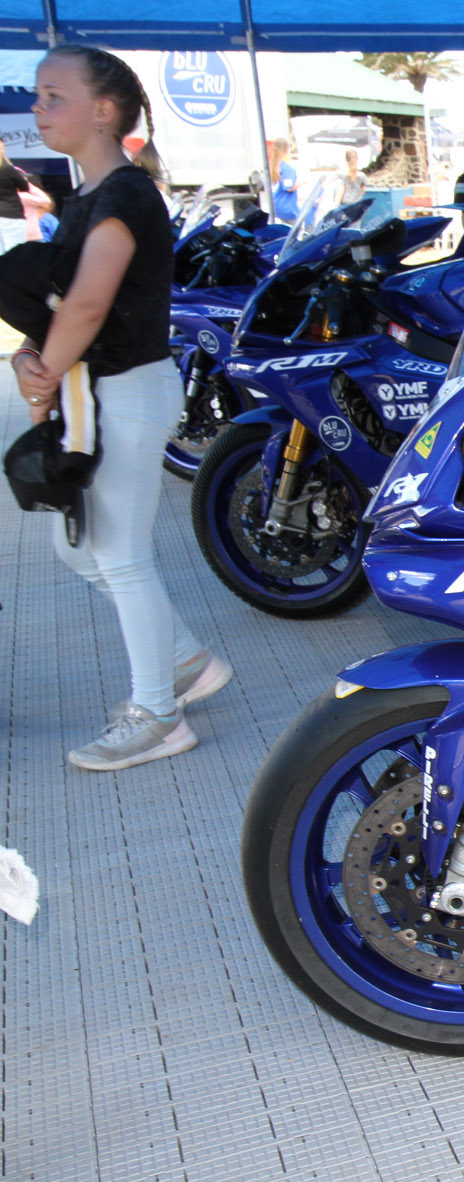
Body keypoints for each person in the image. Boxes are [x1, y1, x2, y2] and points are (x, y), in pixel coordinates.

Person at [15, 45, 231, 770]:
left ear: (104, 111)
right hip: (95, 393)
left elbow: (86, 304)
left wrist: (43, 372)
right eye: (39, 95)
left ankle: (159, 716)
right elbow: (59, 306)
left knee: (120, 556)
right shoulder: (88, 197)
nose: (39, 107)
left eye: (54, 95)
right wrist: (30, 357)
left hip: (126, 392)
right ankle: (185, 661)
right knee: (79, 547)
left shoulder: (127, 196)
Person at [0, 142, 49, 252]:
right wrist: (28, 185)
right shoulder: (23, 196)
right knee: (18, 254)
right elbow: (45, 200)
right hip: (24, 231)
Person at [268, 137, 299, 224]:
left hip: (276, 207)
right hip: (287, 208)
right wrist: (302, 183)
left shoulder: (270, 166)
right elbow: (289, 187)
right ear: (286, 150)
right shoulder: (286, 168)